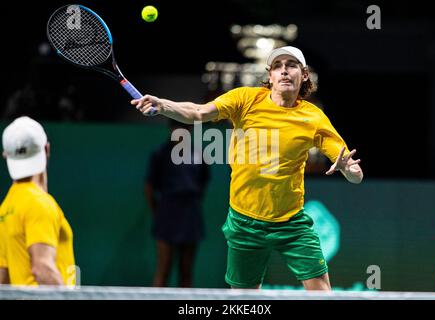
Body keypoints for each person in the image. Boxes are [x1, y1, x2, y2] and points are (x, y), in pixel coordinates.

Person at [132, 46, 363, 290]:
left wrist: (349, 171)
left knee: (322, 293)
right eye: (277, 66)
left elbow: (355, 173)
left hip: (291, 222)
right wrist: (163, 104)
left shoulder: (314, 117)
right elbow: (199, 112)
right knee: (244, 301)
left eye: (291, 65)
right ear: (270, 75)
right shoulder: (245, 99)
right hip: (244, 221)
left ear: (304, 75)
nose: (284, 71)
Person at [0, 116, 76, 286]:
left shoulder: (6, 208)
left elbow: (2, 278)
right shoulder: (40, 203)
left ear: (6, 155)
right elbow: (42, 268)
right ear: (47, 149)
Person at [145, 119, 210, 287]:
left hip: (191, 214)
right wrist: (158, 214)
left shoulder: (199, 154)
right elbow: (149, 187)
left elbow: (203, 183)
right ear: (171, 130)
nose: (181, 132)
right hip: (166, 214)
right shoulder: (160, 154)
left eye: (185, 128)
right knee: (163, 268)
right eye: (177, 128)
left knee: (186, 270)